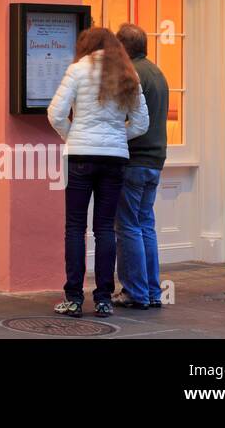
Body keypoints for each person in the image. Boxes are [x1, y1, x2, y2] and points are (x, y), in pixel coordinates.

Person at [47, 26, 149, 318]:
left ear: (86, 45)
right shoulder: (129, 73)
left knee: (75, 228)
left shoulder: (78, 70)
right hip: (114, 159)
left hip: (80, 157)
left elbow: (55, 113)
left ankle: (74, 298)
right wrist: (117, 138)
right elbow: (141, 124)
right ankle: (104, 298)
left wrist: (73, 136)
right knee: (105, 228)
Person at [112, 23, 170, 310]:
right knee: (146, 224)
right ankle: (151, 291)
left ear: (123, 48)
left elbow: (124, 118)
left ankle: (134, 291)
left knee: (128, 226)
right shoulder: (157, 72)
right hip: (155, 160)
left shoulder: (131, 74)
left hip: (134, 159)